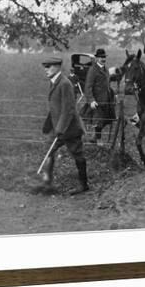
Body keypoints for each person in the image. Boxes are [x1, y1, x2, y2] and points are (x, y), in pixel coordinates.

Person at [41, 57, 89, 194]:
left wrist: (60, 129)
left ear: (57, 67)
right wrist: (48, 123)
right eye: (45, 67)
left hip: (70, 128)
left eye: (49, 66)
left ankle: (83, 185)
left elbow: (68, 109)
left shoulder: (65, 84)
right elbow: (55, 106)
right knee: (48, 151)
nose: (46, 69)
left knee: (78, 155)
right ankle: (47, 183)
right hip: (58, 128)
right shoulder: (54, 82)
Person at [84, 48, 116, 144]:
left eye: (104, 57)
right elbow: (88, 86)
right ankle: (98, 139)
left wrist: (113, 95)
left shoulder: (105, 69)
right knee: (98, 121)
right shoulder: (93, 70)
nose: (103, 59)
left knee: (106, 119)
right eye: (101, 57)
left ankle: (94, 137)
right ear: (97, 58)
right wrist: (91, 100)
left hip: (106, 100)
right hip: (97, 100)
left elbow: (107, 84)